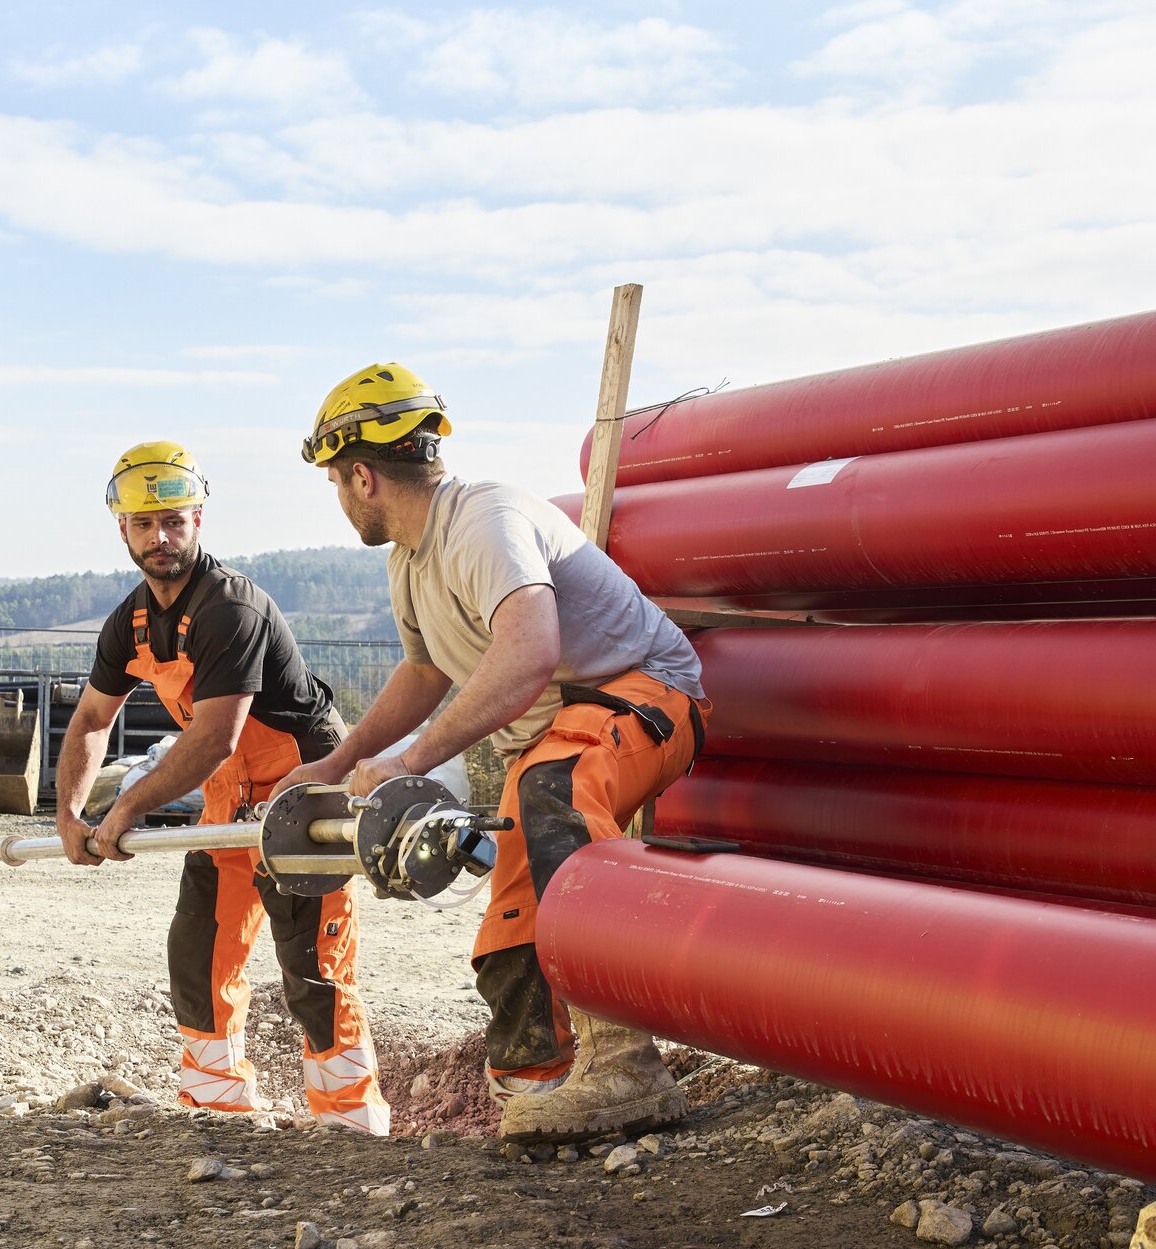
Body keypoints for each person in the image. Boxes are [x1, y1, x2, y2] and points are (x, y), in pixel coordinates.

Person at [274, 364, 709, 1145]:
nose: (340, 498)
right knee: (511, 925)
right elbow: (424, 672)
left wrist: (413, 760)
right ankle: (540, 1094)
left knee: (553, 795)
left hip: (644, 697)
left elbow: (531, 650)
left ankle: (628, 1065)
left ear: (362, 476)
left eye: (337, 481)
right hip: (554, 742)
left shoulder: (484, 520)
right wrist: (339, 764)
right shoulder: (411, 561)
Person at [53, 441, 391, 1136]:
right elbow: (91, 717)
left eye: (174, 520)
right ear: (122, 528)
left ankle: (354, 1127)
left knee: (314, 969)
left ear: (198, 518)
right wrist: (67, 812)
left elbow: (214, 736)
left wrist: (126, 806)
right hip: (228, 800)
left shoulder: (229, 607)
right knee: (200, 954)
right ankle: (217, 1111)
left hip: (304, 794)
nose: (160, 537)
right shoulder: (131, 622)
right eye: (144, 524)